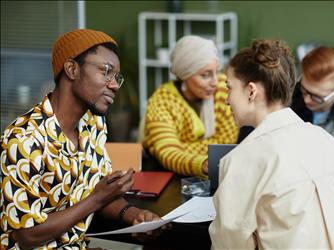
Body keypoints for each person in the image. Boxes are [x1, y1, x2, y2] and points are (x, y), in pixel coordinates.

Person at [0, 29, 164, 249]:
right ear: (72, 69)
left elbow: (99, 192)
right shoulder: (23, 139)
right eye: (106, 71)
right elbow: (27, 236)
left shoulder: (92, 124)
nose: (114, 85)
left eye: (116, 77)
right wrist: (96, 199)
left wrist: (135, 215)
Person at [209, 39, 334, 249]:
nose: (226, 100)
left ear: (251, 91)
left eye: (229, 88)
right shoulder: (328, 143)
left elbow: (229, 245)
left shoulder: (242, 160)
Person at [143, 35, 238, 178]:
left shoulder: (224, 89)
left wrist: (180, 147)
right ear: (184, 75)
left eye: (216, 72)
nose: (214, 81)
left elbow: (226, 143)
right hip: (172, 177)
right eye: (205, 75)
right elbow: (168, 154)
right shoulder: (162, 100)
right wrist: (201, 162)